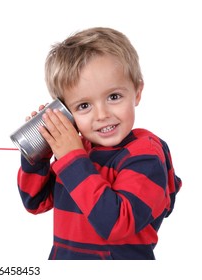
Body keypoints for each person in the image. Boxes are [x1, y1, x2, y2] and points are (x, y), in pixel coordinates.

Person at [17, 27, 181, 260]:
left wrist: (71, 158)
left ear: (137, 91)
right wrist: (39, 152)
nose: (102, 114)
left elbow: (116, 223)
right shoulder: (78, 151)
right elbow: (35, 202)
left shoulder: (145, 154)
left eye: (114, 97)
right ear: (67, 113)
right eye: (84, 106)